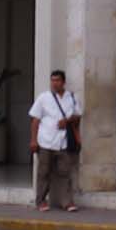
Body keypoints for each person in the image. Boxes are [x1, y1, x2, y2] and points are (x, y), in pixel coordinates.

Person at [28, 69, 82, 213]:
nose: (54, 83)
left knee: (65, 173)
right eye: (52, 80)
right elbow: (35, 120)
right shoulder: (43, 97)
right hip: (45, 141)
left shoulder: (71, 97)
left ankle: (67, 202)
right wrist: (33, 141)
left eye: (57, 80)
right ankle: (40, 201)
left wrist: (67, 120)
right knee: (43, 172)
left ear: (63, 82)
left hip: (63, 143)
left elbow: (78, 117)